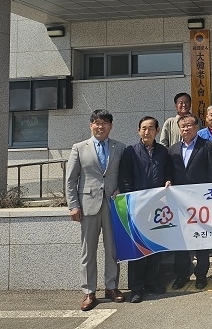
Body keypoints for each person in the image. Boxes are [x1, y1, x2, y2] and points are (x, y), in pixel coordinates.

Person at [66, 110, 125, 311]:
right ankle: (89, 291)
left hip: (112, 204)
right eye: (97, 123)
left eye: (105, 123)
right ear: (90, 125)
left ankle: (111, 286)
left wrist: (121, 190)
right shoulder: (79, 148)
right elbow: (71, 180)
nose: (101, 126)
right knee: (88, 250)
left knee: (112, 249)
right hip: (88, 205)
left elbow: (124, 174)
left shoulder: (120, 147)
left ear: (111, 126)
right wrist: (73, 205)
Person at [118, 116, 172, 303]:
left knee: (155, 245)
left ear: (157, 130)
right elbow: (124, 177)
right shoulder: (130, 151)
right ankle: (136, 287)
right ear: (138, 130)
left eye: (150, 128)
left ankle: (152, 281)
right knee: (137, 248)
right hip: (137, 206)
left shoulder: (163, 152)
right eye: (143, 128)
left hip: (158, 207)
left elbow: (168, 172)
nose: (147, 131)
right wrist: (130, 200)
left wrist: (168, 180)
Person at [168, 113, 212, 290]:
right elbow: (170, 173)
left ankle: (201, 275)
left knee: (201, 238)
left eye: (189, 125)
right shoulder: (173, 149)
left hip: (201, 201)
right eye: (183, 126)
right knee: (181, 240)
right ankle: (181, 275)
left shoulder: (207, 146)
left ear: (197, 127)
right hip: (179, 202)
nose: (186, 129)